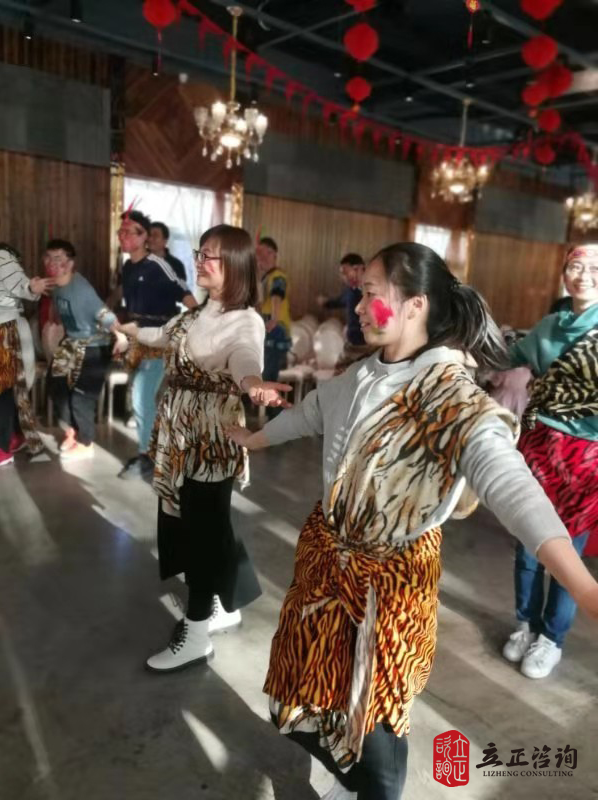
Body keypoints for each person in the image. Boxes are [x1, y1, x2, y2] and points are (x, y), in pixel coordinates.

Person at [226, 242, 598, 800]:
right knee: (312, 691)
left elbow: (512, 486)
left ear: (415, 304)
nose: (358, 306)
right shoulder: (360, 375)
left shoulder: (451, 398)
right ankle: (346, 775)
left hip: (390, 584)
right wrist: (251, 439)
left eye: (370, 294)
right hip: (327, 564)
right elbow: (307, 415)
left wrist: (584, 587)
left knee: (376, 717)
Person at [120, 225, 291, 672]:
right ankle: (225, 603)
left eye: (211, 255)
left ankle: (196, 635)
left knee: (201, 531)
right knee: (205, 524)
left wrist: (253, 386)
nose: (200, 261)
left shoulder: (245, 319)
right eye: (201, 252)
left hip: (210, 438)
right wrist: (127, 330)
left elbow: (246, 359)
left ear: (235, 264)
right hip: (180, 434)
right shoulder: (198, 313)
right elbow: (163, 335)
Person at [501, 242, 598, 679]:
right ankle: (526, 623)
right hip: (539, 448)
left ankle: (551, 638)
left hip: (586, 459)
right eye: (575, 266)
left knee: (566, 554)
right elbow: (506, 356)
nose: (583, 275)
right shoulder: (550, 326)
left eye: (594, 268)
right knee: (527, 547)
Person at [116, 210, 197, 481]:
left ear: (144, 238)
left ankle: (149, 456)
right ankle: (151, 451)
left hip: (159, 340)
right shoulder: (128, 267)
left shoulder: (158, 265)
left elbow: (185, 293)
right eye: (121, 231)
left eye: (129, 232)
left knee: (141, 398)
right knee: (140, 398)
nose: (123, 236)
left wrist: (202, 326)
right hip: (138, 339)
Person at [45, 239, 127, 461]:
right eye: (48, 258)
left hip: (94, 347)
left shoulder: (81, 290)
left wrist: (120, 336)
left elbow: (104, 314)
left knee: (82, 398)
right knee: (56, 385)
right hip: (71, 343)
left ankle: (85, 443)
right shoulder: (56, 285)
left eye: (58, 258)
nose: (52, 263)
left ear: (70, 263)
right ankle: (73, 430)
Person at [0, 243, 53, 466]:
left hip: (6, 330)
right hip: (5, 329)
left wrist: (31, 287)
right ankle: (17, 438)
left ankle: (3, 448)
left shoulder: (2, 255)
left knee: (5, 391)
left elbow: (21, 285)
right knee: (11, 391)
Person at [256, 236, 292, 417]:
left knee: (270, 375)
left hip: (277, 331)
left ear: (273, 254)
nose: (260, 257)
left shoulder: (278, 276)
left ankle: (277, 417)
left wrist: (274, 319)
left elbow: (277, 296)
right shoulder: (266, 277)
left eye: (263, 253)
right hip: (268, 330)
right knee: (267, 375)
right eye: (258, 254)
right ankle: (274, 417)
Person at [317, 252, 372, 370]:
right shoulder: (351, 290)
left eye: (345, 272)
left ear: (358, 269)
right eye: (342, 274)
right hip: (352, 344)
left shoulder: (372, 289)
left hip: (366, 346)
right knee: (339, 373)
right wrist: (326, 303)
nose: (344, 277)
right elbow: (340, 301)